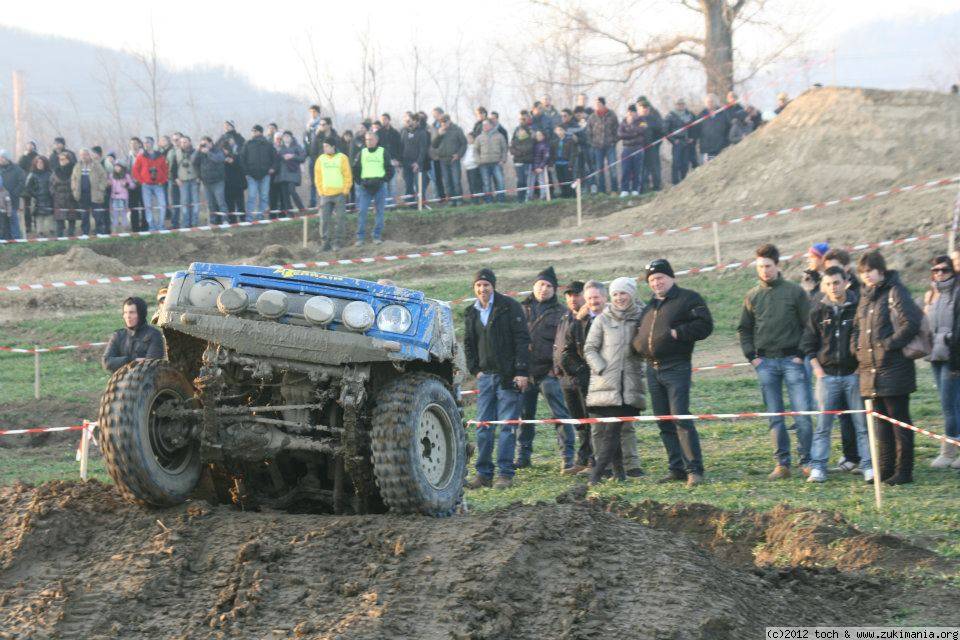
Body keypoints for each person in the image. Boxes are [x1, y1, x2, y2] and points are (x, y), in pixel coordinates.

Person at [633, 259, 713, 487]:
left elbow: (705, 325)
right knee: (664, 421)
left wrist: (679, 333)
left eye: (660, 278)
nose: (656, 283)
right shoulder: (650, 307)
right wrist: (638, 344)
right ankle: (676, 468)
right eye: (651, 280)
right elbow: (641, 331)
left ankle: (694, 469)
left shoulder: (688, 299)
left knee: (680, 418)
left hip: (676, 366)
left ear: (671, 278)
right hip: (652, 368)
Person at [738, 243, 812, 479]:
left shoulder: (795, 292)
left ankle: (808, 460)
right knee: (774, 416)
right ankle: (782, 463)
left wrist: (801, 355)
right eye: (760, 267)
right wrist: (752, 357)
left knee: (802, 414)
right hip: (766, 363)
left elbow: (809, 326)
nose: (764, 271)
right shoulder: (752, 296)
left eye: (768, 266)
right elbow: (744, 329)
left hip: (793, 361)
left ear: (777, 265)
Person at [853, 250, 922, 485]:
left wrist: (890, 344)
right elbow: (856, 328)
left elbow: (911, 322)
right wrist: (856, 348)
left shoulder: (896, 291)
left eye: (870, 271)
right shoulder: (864, 297)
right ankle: (884, 469)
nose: (867, 276)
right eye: (863, 273)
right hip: (869, 370)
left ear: (880, 271)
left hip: (895, 369)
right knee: (881, 423)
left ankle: (904, 472)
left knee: (900, 421)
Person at [802, 266, 873, 483]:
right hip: (827, 376)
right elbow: (808, 343)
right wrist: (817, 369)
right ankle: (818, 468)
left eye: (837, 282)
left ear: (846, 282)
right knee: (823, 426)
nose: (833, 287)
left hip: (853, 375)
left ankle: (868, 466)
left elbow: (863, 340)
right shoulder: (818, 310)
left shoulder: (858, 308)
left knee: (861, 424)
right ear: (824, 285)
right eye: (829, 283)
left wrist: (859, 367)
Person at [464, 268, 530, 490]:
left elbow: (522, 340)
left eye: (486, 285)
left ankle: (505, 473)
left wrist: (521, 371)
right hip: (485, 377)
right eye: (479, 285)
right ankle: (483, 474)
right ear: (474, 288)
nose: (482, 289)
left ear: (493, 286)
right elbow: (468, 343)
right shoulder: (471, 312)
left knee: (507, 426)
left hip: (508, 376)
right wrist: (475, 369)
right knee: (483, 427)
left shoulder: (509, 307)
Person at [584, 277, 646, 484]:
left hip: (629, 384)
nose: (619, 298)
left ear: (632, 294)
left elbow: (647, 347)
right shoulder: (603, 319)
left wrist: (642, 368)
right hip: (606, 384)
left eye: (623, 293)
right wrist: (603, 368)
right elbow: (590, 348)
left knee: (615, 429)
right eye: (615, 294)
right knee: (610, 430)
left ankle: (604, 473)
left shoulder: (642, 317)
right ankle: (605, 473)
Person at [516, 267, 576, 472]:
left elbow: (565, 343)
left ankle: (567, 456)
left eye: (549, 286)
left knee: (560, 415)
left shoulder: (562, 313)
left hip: (549, 375)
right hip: (525, 374)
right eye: (541, 284)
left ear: (555, 290)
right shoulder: (521, 310)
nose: (544, 289)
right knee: (525, 417)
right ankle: (523, 456)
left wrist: (555, 369)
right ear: (534, 286)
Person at [923, 255, 960, 469]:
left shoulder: (956, 293)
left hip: (952, 355)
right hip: (935, 355)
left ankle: (948, 452)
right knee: (950, 403)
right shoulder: (932, 295)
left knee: (950, 405)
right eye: (935, 270)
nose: (939, 273)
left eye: (944, 270)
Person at [554, 281, 592, 472]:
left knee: (589, 420)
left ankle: (591, 461)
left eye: (576, 294)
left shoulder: (588, 317)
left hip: (583, 376)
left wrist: (580, 369)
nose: (572, 298)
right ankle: (583, 460)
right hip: (566, 379)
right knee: (578, 422)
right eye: (569, 295)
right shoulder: (565, 317)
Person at [101, 296, 165, 373]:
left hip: (147, 383)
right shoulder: (118, 335)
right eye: (125, 312)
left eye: (132, 312)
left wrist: (121, 362)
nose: (128, 316)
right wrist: (131, 360)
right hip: (120, 382)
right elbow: (107, 362)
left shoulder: (154, 335)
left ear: (141, 314)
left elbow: (151, 365)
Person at [352, 132, 394, 246]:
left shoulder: (383, 152)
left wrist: (384, 180)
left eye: (370, 139)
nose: (368, 142)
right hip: (365, 187)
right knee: (362, 211)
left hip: (379, 186)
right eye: (366, 140)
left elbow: (390, 169)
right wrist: (360, 182)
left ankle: (377, 236)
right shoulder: (362, 153)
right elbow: (355, 169)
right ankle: (360, 238)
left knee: (380, 211)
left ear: (376, 140)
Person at [316, 139, 352, 251]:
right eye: (324, 146)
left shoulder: (342, 158)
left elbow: (347, 175)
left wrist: (345, 190)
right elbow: (318, 177)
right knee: (324, 220)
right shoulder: (320, 159)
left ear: (333, 146)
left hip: (339, 194)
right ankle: (325, 243)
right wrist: (320, 191)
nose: (325, 148)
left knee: (340, 219)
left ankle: (338, 242)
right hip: (325, 195)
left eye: (327, 146)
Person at [240, 125, 276, 222]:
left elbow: (275, 158)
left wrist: (272, 168)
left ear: (260, 132)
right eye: (252, 131)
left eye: (255, 131)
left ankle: (261, 216)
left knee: (264, 196)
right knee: (251, 196)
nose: (253, 132)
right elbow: (242, 159)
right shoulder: (248, 144)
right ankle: (249, 217)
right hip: (251, 175)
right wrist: (246, 172)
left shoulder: (268, 144)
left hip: (265, 175)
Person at [132, 137, 169, 232]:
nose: (145, 144)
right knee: (148, 206)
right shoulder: (141, 156)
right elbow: (135, 170)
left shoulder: (160, 155)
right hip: (146, 185)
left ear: (152, 143)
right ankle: (151, 226)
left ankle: (160, 225)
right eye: (144, 143)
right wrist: (141, 181)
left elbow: (165, 169)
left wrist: (163, 180)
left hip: (159, 185)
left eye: (147, 142)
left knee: (162, 205)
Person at [71, 149, 109, 236]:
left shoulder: (96, 165)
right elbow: (73, 178)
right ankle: (85, 233)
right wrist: (74, 189)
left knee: (98, 214)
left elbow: (103, 177)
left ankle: (100, 232)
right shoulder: (77, 166)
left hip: (95, 194)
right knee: (84, 215)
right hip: (82, 194)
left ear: (89, 155)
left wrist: (101, 188)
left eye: (85, 154)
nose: (83, 156)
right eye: (82, 155)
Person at [432, 114, 467, 206]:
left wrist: (459, 155)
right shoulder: (438, 131)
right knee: (447, 182)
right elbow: (434, 145)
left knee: (456, 181)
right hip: (443, 160)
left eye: (445, 122)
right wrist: (439, 135)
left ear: (449, 121)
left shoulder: (457, 130)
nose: (443, 124)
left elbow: (464, 144)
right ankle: (451, 200)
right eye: (441, 122)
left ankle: (459, 200)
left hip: (454, 159)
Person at [586, 97, 619, 194]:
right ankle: (602, 191)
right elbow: (588, 132)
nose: (597, 105)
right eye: (596, 104)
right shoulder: (592, 117)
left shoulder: (612, 115)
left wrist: (614, 141)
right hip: (597, 147)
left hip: (610, 146)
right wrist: (592, 143)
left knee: (612, 168)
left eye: (599, 103)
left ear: (603, 104)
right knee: (599, 169)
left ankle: (614, 190)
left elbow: (617, 130)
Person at [191, 136, 227, 224]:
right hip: (206, 182)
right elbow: (193, 161)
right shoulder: (200, 152)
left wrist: (208, 153)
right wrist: (197, 150)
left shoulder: (217, 150)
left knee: (221, 202)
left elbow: (219, 159)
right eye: (202, 144)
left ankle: (225, 220)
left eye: (205, 144)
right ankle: (212, 221)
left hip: (218, 181)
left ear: (211, 143)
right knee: (210, 204)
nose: (204, 145)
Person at [400, 113, 430, 206]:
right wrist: (401, 161)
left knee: (419, 186)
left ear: (417, 122)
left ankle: (422, 204)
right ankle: (410, 204)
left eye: (412, 120)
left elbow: (423, 149)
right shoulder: (404, 131)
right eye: (408, 120)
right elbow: (401, 146)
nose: (409, 122)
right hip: (406, 163)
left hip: (417, 163)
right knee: (408, 185)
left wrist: (418, 163)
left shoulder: (422, 132)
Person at [475, 119, 508, 203]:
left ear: (491, 125)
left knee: (500, 182)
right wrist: (479, 161)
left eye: (486, 125)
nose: (484, 126)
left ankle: (501, 201)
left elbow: (504, 148)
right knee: (486, 184)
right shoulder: (479, 137)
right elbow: (475, 150)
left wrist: (503, 160)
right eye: (483, 125)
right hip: (484, 164)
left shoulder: (500, 136)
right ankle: (489, 202)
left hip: (497, 163)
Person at [665, 98, 697, 184]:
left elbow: (695, 126)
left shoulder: (690, 114)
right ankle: (675, 182)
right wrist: (673, 140)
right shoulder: (670, 116)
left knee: (685, 163)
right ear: (676, 105)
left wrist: (692, 138)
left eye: (682, 104)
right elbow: (665, 130)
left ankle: (684, 181)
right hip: (677, 142)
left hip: (687, 141)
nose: (681, 106)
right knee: (676, 162)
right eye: (679, 104)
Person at [617, 106, 645, 197]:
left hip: (638, 148)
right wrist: (633, 133)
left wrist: (631, 126)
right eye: (628, 112)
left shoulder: (642, 120)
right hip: (626, 148)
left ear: (635, 112)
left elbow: (642, 130)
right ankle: (624, 189)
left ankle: (635, 189)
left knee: (637, 169)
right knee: (625, 169)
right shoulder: (624, 121)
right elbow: (620, 134)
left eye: (632, 112)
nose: (630, 114)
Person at [276, 131, 307, 214]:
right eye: (284, 136)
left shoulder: (297, 147)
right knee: (285, 194)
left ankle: (301, 208)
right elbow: (276, 160)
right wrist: (281, 157)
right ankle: (290, 213)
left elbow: (303, 157)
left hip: (293, 172)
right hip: (282, 173)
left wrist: (293, 156)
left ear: (291, 137)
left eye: (288, 136)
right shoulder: (280, 148)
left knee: (292, 190)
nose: (286, 138)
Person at [637, 96, 663, 192]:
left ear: (648, 108)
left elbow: (661, 130)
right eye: (642, 107)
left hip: (652, 147)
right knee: (641, 168)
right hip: (639, 147)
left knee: (654, 167)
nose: (644, 109)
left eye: (646, 107)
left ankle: (657, 186)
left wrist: (656, 143)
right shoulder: (637, 119)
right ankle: (643, 187)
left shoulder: (654, 117)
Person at [173, 136, 200, 228]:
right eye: (181, 142)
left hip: (194, 180)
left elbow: (200, 165)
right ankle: (185, 223)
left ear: (190, 142)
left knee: (195, 202)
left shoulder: (196, 152)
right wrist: (176, 178)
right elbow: (173, 168)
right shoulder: (176, 153)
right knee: (184, 203)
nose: (183, 144)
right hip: (182, 181)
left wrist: (199, 177)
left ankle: (194, 223)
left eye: (185, 142)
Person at [24, 156, 53, 237]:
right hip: (37, 199)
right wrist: (35, 194)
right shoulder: (32, 174)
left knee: (50, 216)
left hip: (49, 198)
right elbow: (27, 187)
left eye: (41, 162)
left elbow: (53, 185)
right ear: (35, 163)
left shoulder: (49, 173)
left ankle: (52, 232)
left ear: (45, 163)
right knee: (39, 216)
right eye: (38, 162)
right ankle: (40, 233)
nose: (40, 164)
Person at [50, 152, 78, 237]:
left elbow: (77, 183)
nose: (61, 161)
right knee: (59, 222)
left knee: (72, 220)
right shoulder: (56, 171)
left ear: (68, 160)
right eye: (60, 159)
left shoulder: (75, 170)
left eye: (63, 159)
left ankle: (71, 237)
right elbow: (51, 185)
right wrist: (54, 194)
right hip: (59, 199)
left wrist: (75, 194)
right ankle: (59, 238)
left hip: (71, 198)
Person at [0, 151, 26, 239]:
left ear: (7, 158)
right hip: (1, 201)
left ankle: (16, 238)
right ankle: (4, 238)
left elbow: (22, 182)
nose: (0, 159)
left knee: (13, 219)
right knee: (2, 221)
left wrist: (15, 193)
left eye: (2, 157)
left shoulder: (17, 169)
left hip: (13, 200)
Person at [697, 94, 729, 163]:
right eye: (708, 102)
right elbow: (696, 130)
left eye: (712, 101)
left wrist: (726, 143)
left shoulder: (723, 113)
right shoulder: (702, 115)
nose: (710, 104)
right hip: (706, 149)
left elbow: (728, 128)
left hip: (721, 147)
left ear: (715, 102)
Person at [510, 111, 535, 203]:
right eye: (520, 119)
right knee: (520, 181)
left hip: (527, 160)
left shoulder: (531, 130)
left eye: (524, 119)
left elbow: (530, 145)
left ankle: (526, 198)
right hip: (517, 160)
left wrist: (520, 151)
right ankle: (519, 198)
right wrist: (515, 151)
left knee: (526, 181)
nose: (522, 120)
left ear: (528, 119)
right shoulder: (516, 129)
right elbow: (512, 144)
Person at [551, 124, 579, 198]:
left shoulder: (569, 140)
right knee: (561, 180)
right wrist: (552, 163)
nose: (559, 132)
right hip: (558, 163)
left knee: (569, 179)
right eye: (557, 130)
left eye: (561, 130)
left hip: (567, 163)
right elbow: (553, 153)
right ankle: (564, 195)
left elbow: (573, 153)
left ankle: (572, 194)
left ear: (564, 131)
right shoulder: (554, 142)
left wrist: (570, 164)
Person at [304, 104, 322, 208]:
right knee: (312, 180)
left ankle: (322, 201)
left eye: (314, 112)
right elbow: (305, 140)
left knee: (322, 179)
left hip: (320, 156)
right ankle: (312, 201)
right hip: (311, 156)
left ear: (318, 112)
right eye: (311, 112)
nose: (312, 114)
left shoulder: (321, 124)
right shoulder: (308, 126)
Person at [108, 162, 136, 231]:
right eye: (115, 166)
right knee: (115, 214)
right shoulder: (111, 176)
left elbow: (133, 185)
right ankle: (114, 230)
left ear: (122, 167)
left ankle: (125, 229)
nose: (116, 168)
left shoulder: (126, 176)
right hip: (114, 197)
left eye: (118, 166)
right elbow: (108, 183)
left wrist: (127, 185)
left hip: (123, 197)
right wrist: (108, 184)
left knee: (124, 213)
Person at [530, 130, 550, 199]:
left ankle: (543, 197)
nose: (537, 137)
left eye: (539, 135)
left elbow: (546, 157)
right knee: (531, 182)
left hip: (541, 167)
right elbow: (533, 156)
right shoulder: (534, 144)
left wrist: (541, 167)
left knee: (542, 182)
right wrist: (534, 167)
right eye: (537, 135)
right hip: (533, 166)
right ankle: (530, 197)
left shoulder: (545, 145)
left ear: (543, 136)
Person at [462, 133, 482, 201]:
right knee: (470, 184)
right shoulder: (466, 147)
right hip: (468, 168)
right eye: (467, 138)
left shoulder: (475, 147)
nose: (468, 139)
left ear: (474, 139)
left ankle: (477, 199)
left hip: (474, 167)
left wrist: (474, 162)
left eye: (470, 138)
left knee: (475, 184)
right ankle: (473, 199)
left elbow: (476, 157)